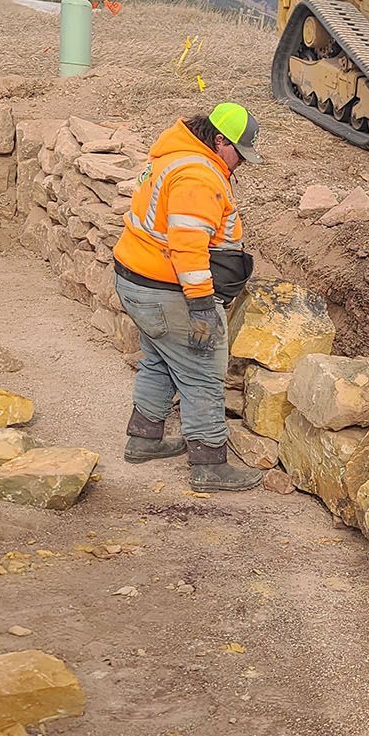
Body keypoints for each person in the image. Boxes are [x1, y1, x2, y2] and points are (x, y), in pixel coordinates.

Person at [112, 102, 265, 493]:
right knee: (202, 371)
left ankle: (144, 438)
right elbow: (187, 246)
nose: (241, 164)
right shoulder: (198, 175)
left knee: (158, 359)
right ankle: (210, 464)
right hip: (167, 290)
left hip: (138, 280)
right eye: (239, 154)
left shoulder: (176, 155)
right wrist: (200, 306)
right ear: (219, 140)